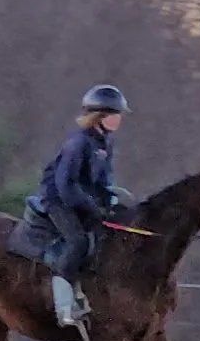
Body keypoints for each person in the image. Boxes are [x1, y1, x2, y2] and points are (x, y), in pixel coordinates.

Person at [34, 84, 135, 327]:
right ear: (100, 116)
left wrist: (111, 203)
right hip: (57, 198)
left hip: (80, 198)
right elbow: (65, 184)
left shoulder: (105, 142)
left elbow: (103, 181)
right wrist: (92, 207)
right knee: (78, 241)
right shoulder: (78, 143)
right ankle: (63, 306)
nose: (119, 119)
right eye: (115, 114)